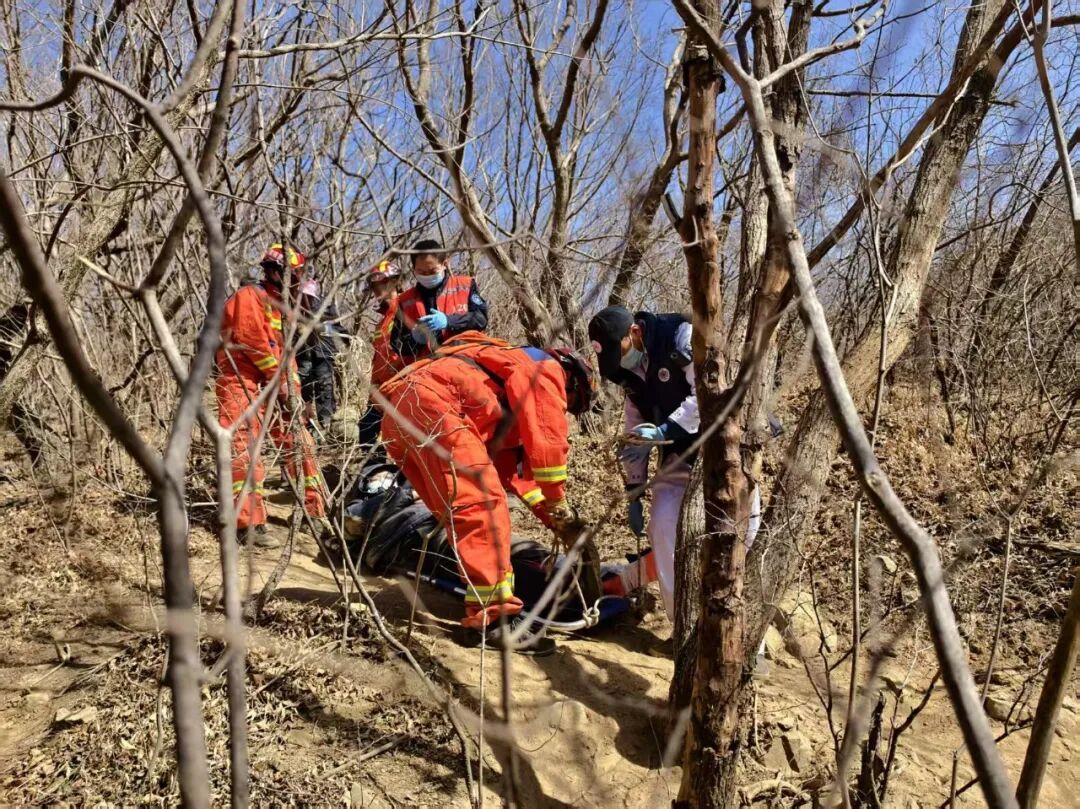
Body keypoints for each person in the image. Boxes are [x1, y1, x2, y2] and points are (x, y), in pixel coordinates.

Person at [379, 331, 597, 655]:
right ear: (572, 381)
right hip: (437, 408)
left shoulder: (497, 376)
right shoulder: (545, 368)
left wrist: (552, 516)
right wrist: (558, 498)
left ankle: (482, 609)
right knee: (482, 508)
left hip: (401, 412)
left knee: (463, 516)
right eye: (569, 404)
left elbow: (509, 471)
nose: (563, 409)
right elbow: (548, 441)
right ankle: (494, 623)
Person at [587, 305, 760, 619]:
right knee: (664, 527)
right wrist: (634, 492)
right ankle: (683, 624)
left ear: (634, 331)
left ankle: (741, 629)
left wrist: (665, 429)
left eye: (619, 349)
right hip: (678, 457)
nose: (618, 359)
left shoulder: (680, 335)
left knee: (744, 533)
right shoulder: (624, 370)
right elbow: (634, 427)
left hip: (724, 450)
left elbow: (706, 394)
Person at [215, 243, 327, 547]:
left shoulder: (285, 307)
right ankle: (248, 523)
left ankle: (312, 512)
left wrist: (293, 390)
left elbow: (286, 353)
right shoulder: (250, 296)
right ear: (277, 272)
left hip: (274, 381)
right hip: (240, 378)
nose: (297, 279)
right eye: (294, 273)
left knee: (300, 441)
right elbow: (251, 340)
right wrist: (279, 382)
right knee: (243, 444)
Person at [393, 239, 488, 360]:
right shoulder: (405, 300)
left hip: (467, 359)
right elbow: (397, 344)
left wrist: (449, 321)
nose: (427, 276)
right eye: (421, 272)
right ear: (413, 269)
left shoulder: (465, 285)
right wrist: (415, 338)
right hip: (427, 367)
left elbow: (481, 319)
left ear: (445, 264)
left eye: (432, 271)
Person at [358, 259, 405, 448]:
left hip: (402, 386)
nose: (378, 291)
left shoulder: (407, 308)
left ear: (395, 282)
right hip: (382, 390)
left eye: (382, 284)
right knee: (367, 430)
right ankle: (376, 473)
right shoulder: (383, 320)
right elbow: (379, 357)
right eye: (375, 286)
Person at [296, 275, 347, 431]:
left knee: (324, 385)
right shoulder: (293, 307)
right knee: (304, 382)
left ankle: (327, 423)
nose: (306, 300)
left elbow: (338, 329)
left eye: (309, 297)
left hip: (323, 352)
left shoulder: (326, 307)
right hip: (302, 353)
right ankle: (306, 423)